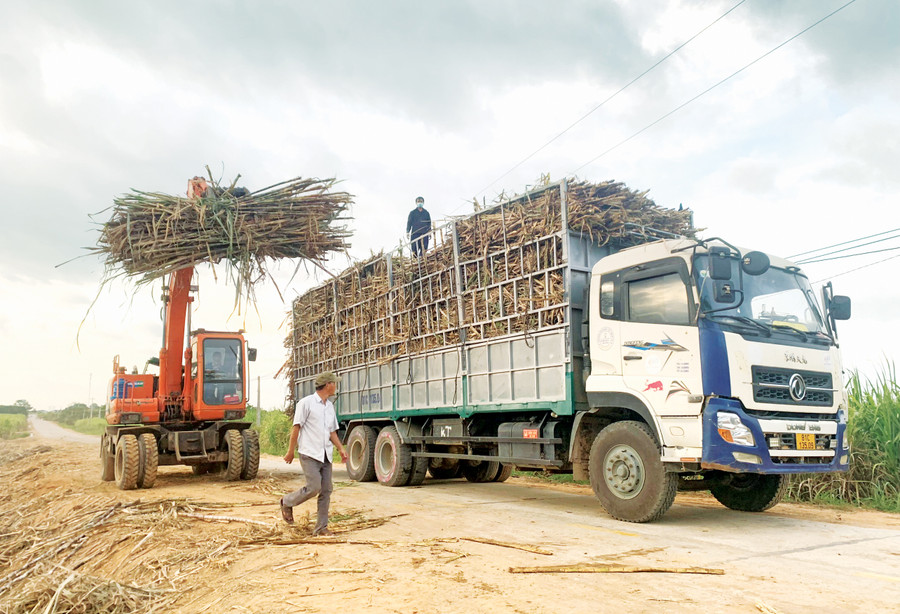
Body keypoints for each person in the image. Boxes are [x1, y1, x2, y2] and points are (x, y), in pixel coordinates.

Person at [280, 371, 348, 535]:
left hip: (326, 454)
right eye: (334, 383)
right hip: (309, 453)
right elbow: (296, 427)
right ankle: (287, 501)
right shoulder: (306, 403)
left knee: (326, 490)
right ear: (328, 385)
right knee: (314, 487)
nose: (336, 386)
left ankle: (321, 528)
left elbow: (332, 432)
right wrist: (291, 451)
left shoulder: (330, 406)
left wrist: (340, 448)